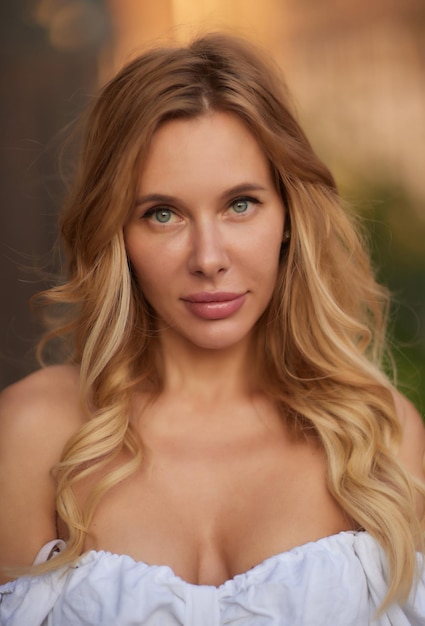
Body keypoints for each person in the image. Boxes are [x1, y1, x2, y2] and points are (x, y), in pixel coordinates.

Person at [0, 32, 424, 626]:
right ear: (117, 234)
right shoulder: (30, 435)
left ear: (288, 216)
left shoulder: (379, 437)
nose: (208, 257)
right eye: (162, 213)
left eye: (240, 204)